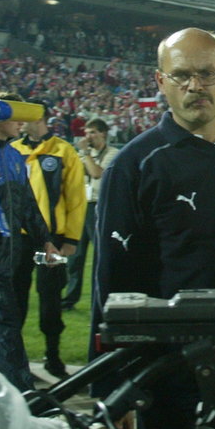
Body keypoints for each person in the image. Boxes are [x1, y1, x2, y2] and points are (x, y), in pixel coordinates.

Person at [91, 27, 215, 429]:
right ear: (160, 81)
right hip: (168, 367)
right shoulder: (134, 165)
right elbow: (112, 279)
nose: (195, 86)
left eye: (207, 74)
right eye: (181, 75)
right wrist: (112, 385)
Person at [0, 92, 54, 392]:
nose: (22, 122)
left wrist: (45, 240)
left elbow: (26, 205)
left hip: (7, 257)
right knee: (5, 327)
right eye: (16, 115)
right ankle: (23, 395)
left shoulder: (13, 155)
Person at [12, 99, 86, 379]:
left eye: (26, 115)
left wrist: (71, 239)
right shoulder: (13, 149)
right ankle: (16, 361)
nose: (21, 120)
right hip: (18, 239)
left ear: (40, 117)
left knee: (50, 299)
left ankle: (53, 358)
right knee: (15, 297)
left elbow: (76, 198)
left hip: (52, 239)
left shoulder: (63, 151)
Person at [61, 118, 119, 311]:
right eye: (86, 133)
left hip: (99, 207)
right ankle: (69, 299)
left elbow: (96, 173)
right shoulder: (85, 155)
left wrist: (85, 154)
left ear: (103, 133)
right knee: (75, 257)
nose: (88, 137)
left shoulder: (113, 154)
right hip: (82, 206)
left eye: (93, 132)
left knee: (99, 256)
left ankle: (101, 297)